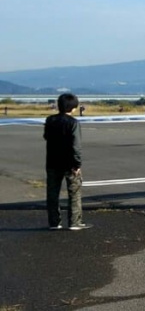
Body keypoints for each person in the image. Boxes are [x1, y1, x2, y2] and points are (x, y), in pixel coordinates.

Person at [43, 93, 91, 230]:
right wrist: (77, 164)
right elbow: (76, 146)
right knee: (74, 192)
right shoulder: (73, 123)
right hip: (69, 163)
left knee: (52, 193)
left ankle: (54, 222)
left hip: (52, 161)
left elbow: (46, 137)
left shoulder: (50, 120)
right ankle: (74, 221)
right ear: (74, 107)